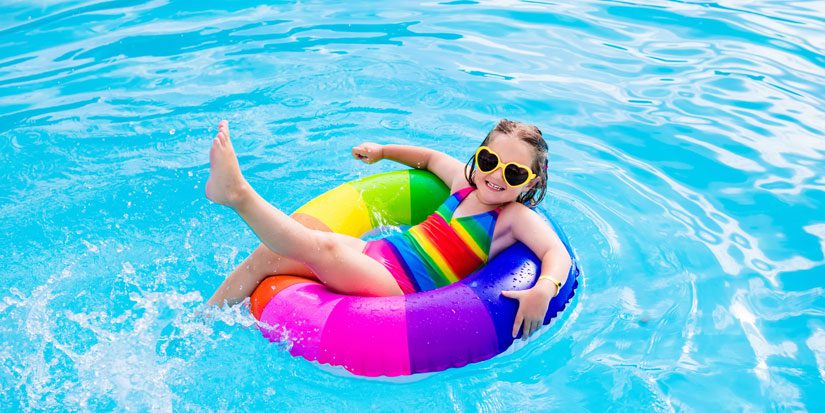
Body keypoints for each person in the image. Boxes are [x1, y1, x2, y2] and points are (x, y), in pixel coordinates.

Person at [205, 119, 572, 339]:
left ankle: (238, 194)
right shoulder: (464, 182)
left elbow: (555, 252)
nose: (495, 177)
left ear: (530, 181)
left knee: (321, 249)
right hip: (376, 255)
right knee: (269, 255)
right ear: (477, 156)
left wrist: (545, 287)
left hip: (399, 286)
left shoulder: (512, 218)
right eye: (489, 161)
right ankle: (205, 315)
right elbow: (428, 158)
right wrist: (382, 151)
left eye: (513, 173)